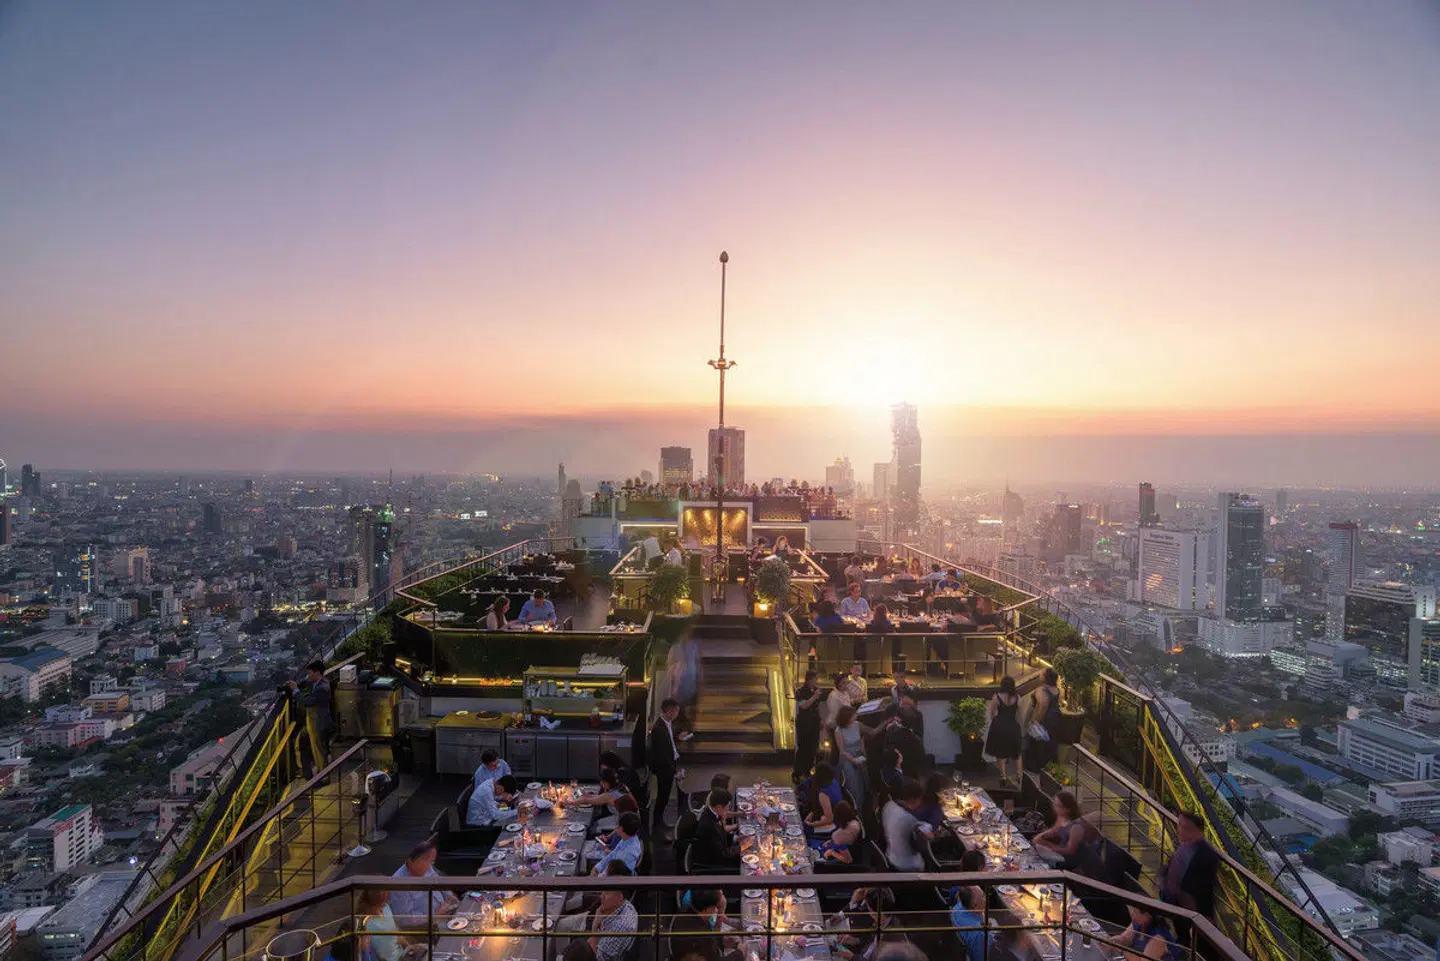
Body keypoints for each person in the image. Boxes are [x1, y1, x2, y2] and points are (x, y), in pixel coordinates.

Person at [1161, 810, 1220, 927]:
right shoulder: (1184, 846)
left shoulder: (1207, 855)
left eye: (1182, 826)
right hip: (1175, 906)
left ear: (1193, 830)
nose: (1178, 829)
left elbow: (1203, 892)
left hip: (1190, 913)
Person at [387, 841, 457, 930]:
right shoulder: (399, 884)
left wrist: (450, 896)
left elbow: (438, 881)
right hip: (428, 926)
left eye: (432, 862)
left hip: (446, 910)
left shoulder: (425, 868)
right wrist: (435, 915)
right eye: (430, 862)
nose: (430, 867)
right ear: (417, 861)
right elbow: (405, 920)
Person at [286, 660, 333, 778]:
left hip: (318, 723)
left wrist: (296, 690)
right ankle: (310, 772)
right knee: (303, 743)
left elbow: (306, 702)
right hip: (314, 721)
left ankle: (324, 776)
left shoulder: (321, 688)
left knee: (319, 751)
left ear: (317, 673)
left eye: (310, 673)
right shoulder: (321, 681)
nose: (308, 676)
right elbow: (307, 680)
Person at [670, 889, 742, 961]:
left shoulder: (686, 910)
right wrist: (740, 953)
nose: (716, 910)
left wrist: (722, 941)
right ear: (708, 909)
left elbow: (711, 940)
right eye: (715, 907)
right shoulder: (702, 939)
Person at [881, 779, 931, 872]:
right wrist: (928, 836)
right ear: (913, 799)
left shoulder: (888, 805)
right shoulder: (909, 820)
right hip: (908, 867)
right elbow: (921, 847)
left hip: (890, 856)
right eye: (920, 798)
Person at [649, 698, 683, 833]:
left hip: (669, 765)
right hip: (664, 769)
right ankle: (657, 824)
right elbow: (662, 754)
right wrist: (673, 772)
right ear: (669, 711)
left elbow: (668, 740)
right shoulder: (658, 729)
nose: (677, 714)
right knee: (663, 797)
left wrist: (677, 736)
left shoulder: (666, 723)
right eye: (676, 711)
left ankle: (659, 822)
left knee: (665, 796)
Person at [832, 704, 873, 813]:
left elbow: (867, 736)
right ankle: (854, 809)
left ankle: (863, 810)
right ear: (847, 717)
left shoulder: (857, 725)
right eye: (853, 715)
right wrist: (853, 760)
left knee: (864, 785)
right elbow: (842, 751)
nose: (856, 716)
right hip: (847, 758)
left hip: (859, 755)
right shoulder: (838, 730)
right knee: (853, 785)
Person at [1033, 790, 1091, 868]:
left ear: (1067, 809)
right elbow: (1054, 831)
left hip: (1067, 859)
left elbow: (1069, 851)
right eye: (1054, 804)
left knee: (1036, 861)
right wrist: (1040, 837)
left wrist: (1049, 846)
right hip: (1058, 851)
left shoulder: (1076, 827)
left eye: (1057, 806)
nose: (1054, 807)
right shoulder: (1061, 817)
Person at [357, 888, 417, 961]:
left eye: (385, 890)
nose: (383, 894)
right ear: (369, 894)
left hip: (403, 955)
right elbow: (364, 951)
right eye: (378, 891)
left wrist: (410, 947)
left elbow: (396, 935)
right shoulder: (363, 921)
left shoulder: (386, 908)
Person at [692, 789, 747, 868]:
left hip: (720, 852)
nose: (728, 810)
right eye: (727, 807)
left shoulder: (711, 813)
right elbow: (722, 855)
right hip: (715, 864)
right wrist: (742, 847)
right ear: (718, 807)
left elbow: (720, 835)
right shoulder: (709, 827)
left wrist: (736, 838)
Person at [986, 674, 1023, 785]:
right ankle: (1019, 775)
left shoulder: (997, 696)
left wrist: (996, 722)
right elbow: (1020, 715)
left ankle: (1003, 776)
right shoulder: (1018, 698)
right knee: (1017, 753)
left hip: (1000, 726)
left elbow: (992, 712)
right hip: (1013, 726)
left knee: (1000, 752)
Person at [1113, 904, 1183, 961]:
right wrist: (1115, 940)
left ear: (1146, 914)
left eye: (1134, 912)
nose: (1131, 915)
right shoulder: (1138, 923)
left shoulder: (1159, 937)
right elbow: (1125, 938)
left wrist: (1120, 949)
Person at [1027, 668, 1062, 767]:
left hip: (1046, 719)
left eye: (1041, 674)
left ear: (1046, 678)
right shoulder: (1056, 689)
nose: (1039, 675)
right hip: (1055, 717)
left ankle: (1037, 766)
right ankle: (1050, 764)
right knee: (1051, 741)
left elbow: (1043, 705)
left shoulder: (1042, 690)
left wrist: (1036, 721)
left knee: (1039, 741)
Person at [793, 670, 824, 782]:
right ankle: (797, 772)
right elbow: (804, 706)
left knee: (813, 748)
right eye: (815, 679)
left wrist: (820, 719)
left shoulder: (816, 690)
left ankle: (808, 771)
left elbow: (817, 706)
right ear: (809, 679)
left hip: (814, 722)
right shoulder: (800, 691)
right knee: (803, 748)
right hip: (804, 723)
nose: (816, 681)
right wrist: (815, 696)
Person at [805, 762, 843, 830]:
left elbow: (829, 819)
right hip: (839, 818)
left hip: (834, 826)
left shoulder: (823, 794)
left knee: (804, 828)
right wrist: (812, 813)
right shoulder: (834, 781)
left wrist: (811, 824)